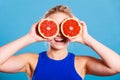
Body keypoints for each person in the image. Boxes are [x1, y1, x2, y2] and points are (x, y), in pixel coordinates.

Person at [0, 5, 120, 80]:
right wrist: (30, 37)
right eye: (53, 27)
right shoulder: (31, 60)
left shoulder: (82, 63)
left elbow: (117, 67)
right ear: (44, 30)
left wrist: (87, 39)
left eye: (64, 27)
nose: (59, 33)